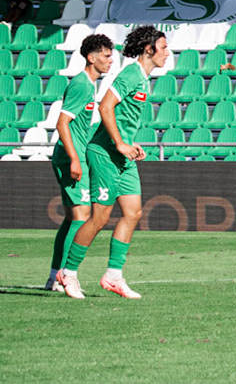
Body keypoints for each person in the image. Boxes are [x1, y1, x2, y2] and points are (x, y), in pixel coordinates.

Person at [54, 24, 169, 299]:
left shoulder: (142, 78)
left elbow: (122, 118)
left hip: (123, 157)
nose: (167, 53)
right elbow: (106, 106)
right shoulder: (130, 74)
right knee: (99, 217)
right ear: (149, 49)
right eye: (163, 48)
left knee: (133, 213)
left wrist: (130, 144)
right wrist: (118, 142)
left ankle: (113, 276)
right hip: (104, 154)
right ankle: (67, 273)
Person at [45, 32, 115, 291]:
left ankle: (55, 276)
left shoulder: (89, 85)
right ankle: (65, 275)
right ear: (91, 57)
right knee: (83, 215)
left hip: (73, 154)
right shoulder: (82, 84)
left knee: (72, 217)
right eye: (106, 56)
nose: (110, 61)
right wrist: (75, 159)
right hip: (70, 156)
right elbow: (62, 123)